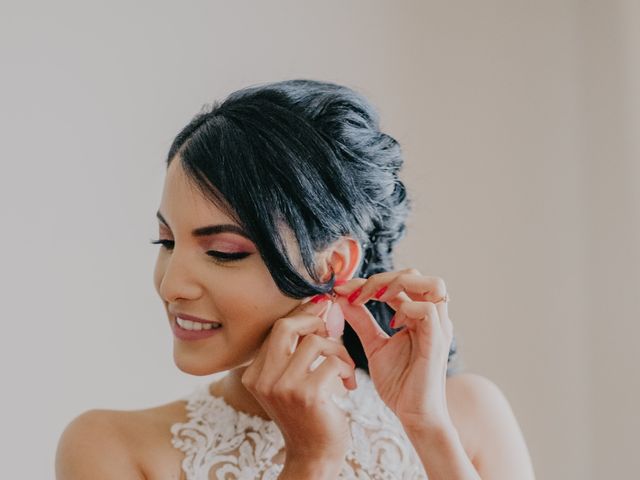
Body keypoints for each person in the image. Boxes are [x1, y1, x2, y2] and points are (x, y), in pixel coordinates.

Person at [56, 79, 536, 479]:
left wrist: (426, 426)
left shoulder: (468, 413)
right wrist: (311, 460)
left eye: (223, 251)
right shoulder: (111, 448)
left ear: (333, 265)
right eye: (166, 242)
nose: (171, 285)